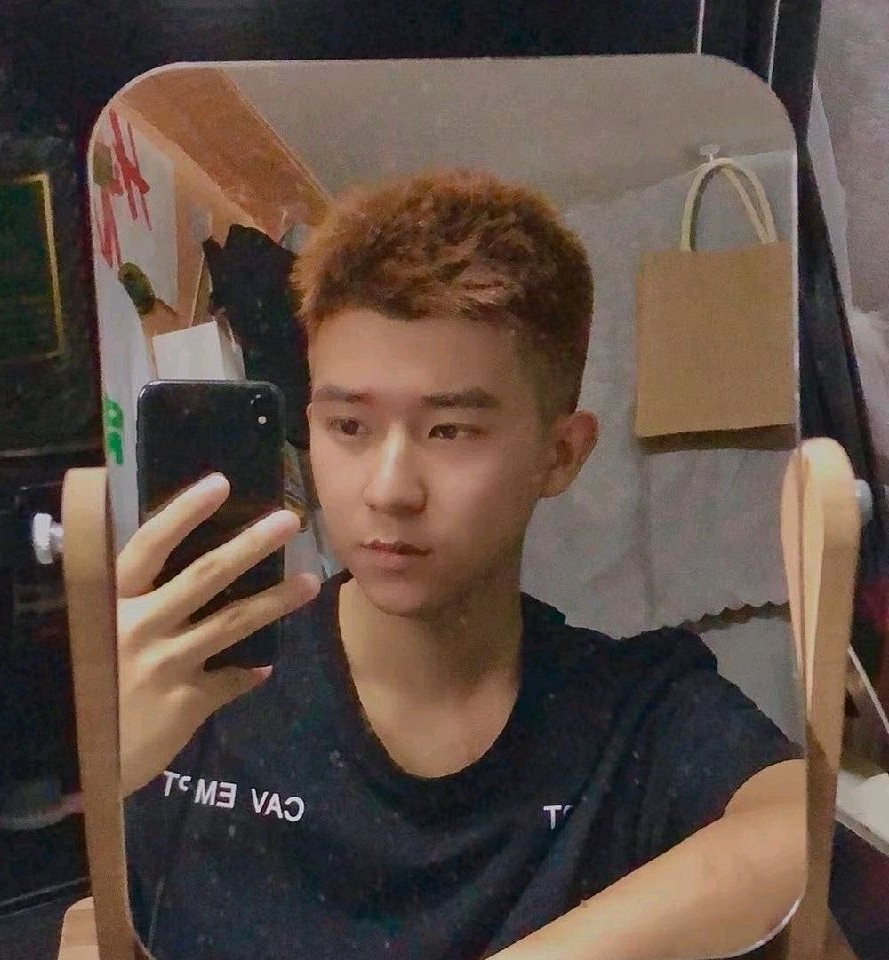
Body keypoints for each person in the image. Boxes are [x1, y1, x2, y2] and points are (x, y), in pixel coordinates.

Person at [118, 169, 806, 960]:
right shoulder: (195, 690)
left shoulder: (633, 720)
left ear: (560, 454)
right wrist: (100, 771)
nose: (389, 490)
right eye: (348, 426)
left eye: (450, 431)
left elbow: (802, 828)